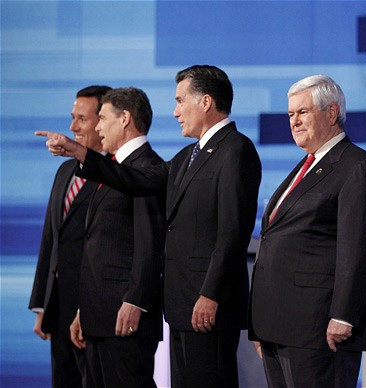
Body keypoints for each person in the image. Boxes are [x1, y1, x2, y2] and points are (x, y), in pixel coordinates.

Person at [37, 65, 262, 387]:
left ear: (206, 102)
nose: (175, 112)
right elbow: (136, 178)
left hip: (206, 303)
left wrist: (211, 293)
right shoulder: (187, 156)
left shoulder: (235, 150)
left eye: (181, 100)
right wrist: (81, 153)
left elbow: (233, 230)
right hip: (183, 303)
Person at [249, 75, 366, 387]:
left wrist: (343, 315)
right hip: (278, 325)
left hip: (319, 326)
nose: (294, 121)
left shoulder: (356, 166)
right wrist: (261, 325)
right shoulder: (304, 166)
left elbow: (357, 249)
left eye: (303, 113)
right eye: (290, 115)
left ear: (331, 112)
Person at [66, 87, 165, 387]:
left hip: (125, 319)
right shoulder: (113, 168)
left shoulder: (147, 168)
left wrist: (136, 301)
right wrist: (85, 309)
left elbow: (149, 243)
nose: (96, 127)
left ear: (124, 118)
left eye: (102, 119)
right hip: (100, 317)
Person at [29, 85, 111, 388]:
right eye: (72, 117)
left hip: (93, 306)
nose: (72, 127)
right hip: (59, 304)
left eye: (82, 119)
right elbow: (51, 238)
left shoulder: (116, 175)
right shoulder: (64, 171)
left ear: (103, 121)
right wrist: (42, 305)